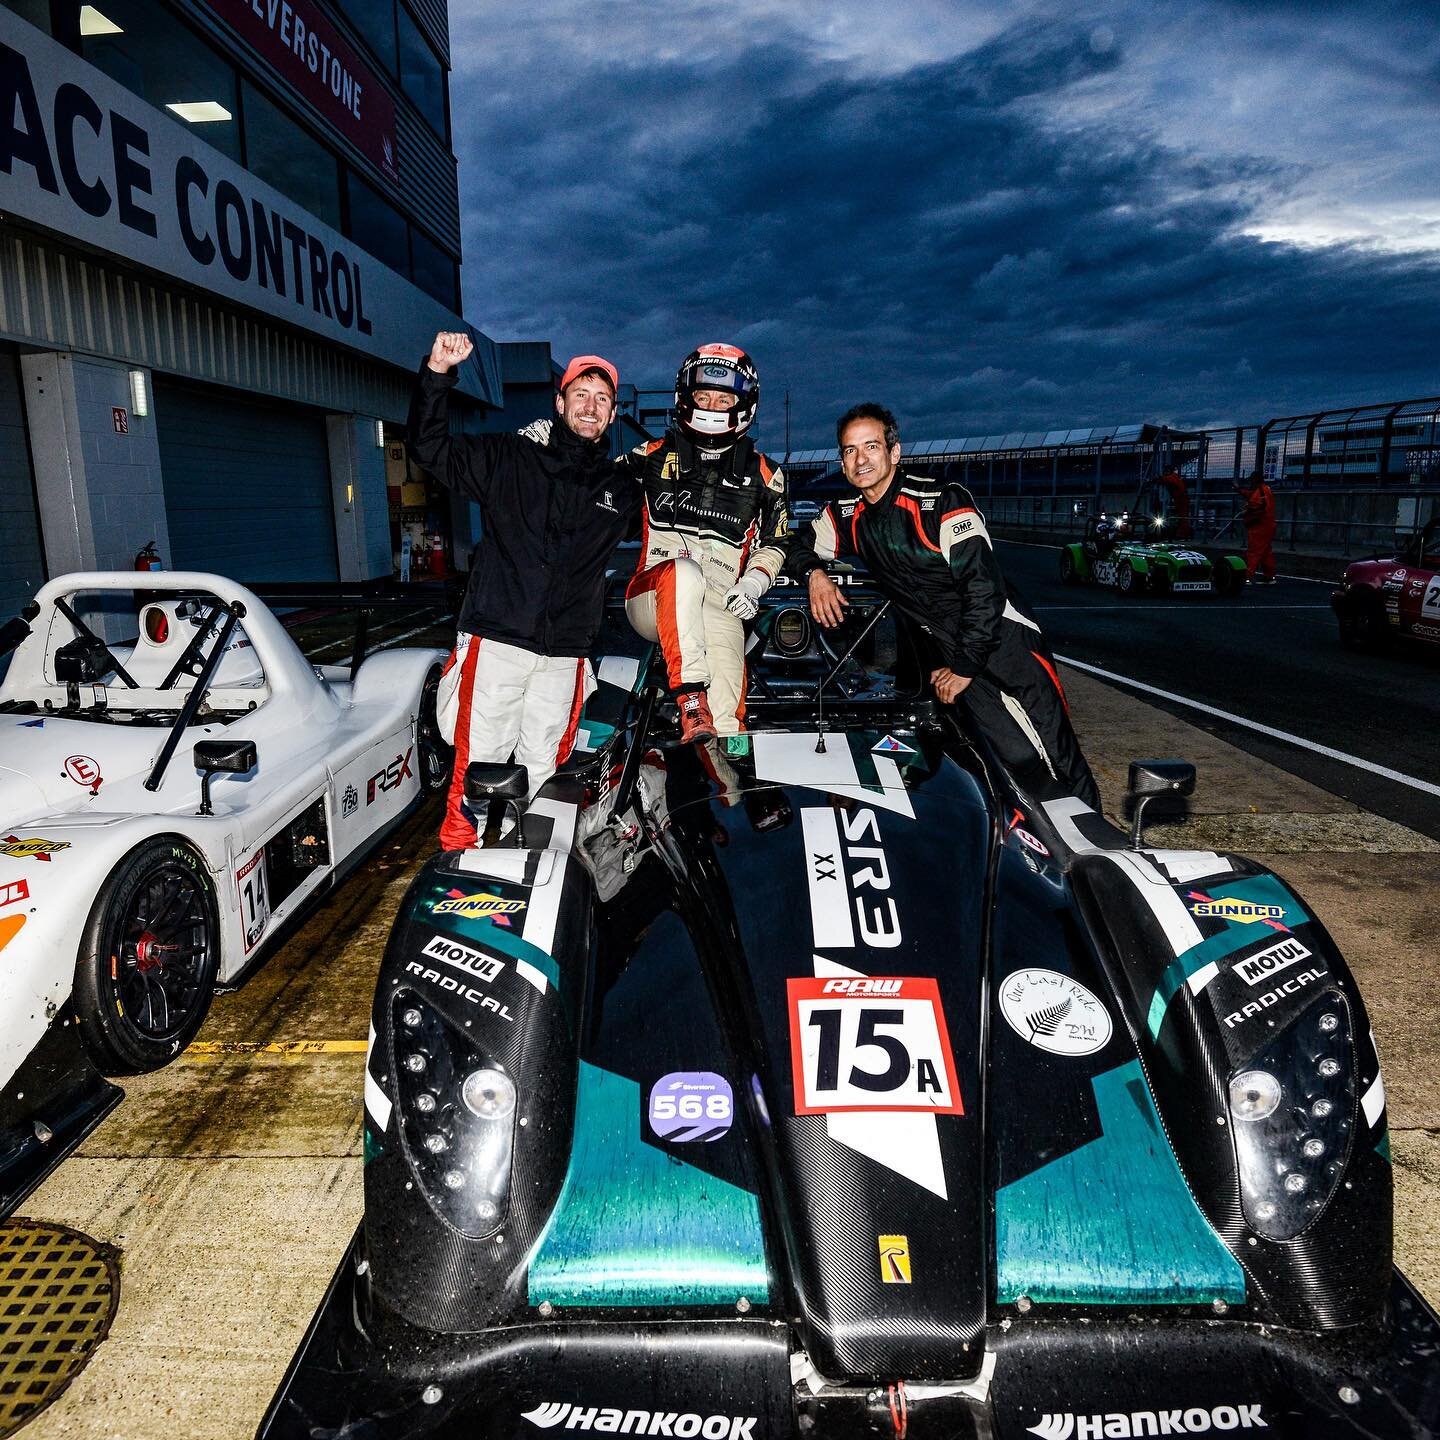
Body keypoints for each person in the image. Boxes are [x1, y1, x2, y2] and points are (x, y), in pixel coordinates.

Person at [787, 402, 1100, 809]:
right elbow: (793, 545)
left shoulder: (941, 500)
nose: (861, 459)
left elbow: (983, 592)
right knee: (1011, 761)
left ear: (894, 453)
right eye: (850, 450)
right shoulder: (847, 516)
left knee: (1057, 756)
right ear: (843, 463)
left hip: (1005, 642)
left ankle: (1095, 855)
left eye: (871, 447)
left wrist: (965, 667)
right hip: (954, 653)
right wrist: (815, 575)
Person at [408, 331, 640, 849]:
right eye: (581, 393)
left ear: (610, 414)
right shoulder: (510, 455)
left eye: (602, 399)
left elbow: (674, 523)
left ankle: (523, 865)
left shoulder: (620, 487)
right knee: (477, 763)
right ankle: (458, 863)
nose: (590, 405)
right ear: (559, 401)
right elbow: (429, 448)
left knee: (542, 767)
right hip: (497, 641)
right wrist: (438, 373)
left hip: (566, 655)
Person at [623, 344, 789, 743]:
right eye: (703, 397)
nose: (713, 407)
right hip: (652, 596)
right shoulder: (647, 456)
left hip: (721, 599)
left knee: (729, 715)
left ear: (743, 404)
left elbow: (777, 543)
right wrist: (550, 447)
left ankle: (725, 794)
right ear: (685, 398)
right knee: (684, 572)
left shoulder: (766, 473)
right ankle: (689, 697)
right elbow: (589, 493)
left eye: (723, 398)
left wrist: (753, 584)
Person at [1237, 471, 1276, 584]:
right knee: (1265, 551)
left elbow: (1256, 505)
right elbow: (1252, 495)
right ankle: (1269, 576)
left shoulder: (1260, 491)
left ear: (1255, 480)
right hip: (1267, 525)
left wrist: (1246, 511)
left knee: (1254, 551)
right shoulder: (1265, 489)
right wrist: (1239, 490)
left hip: (1260, 526)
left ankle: (1247, 576)